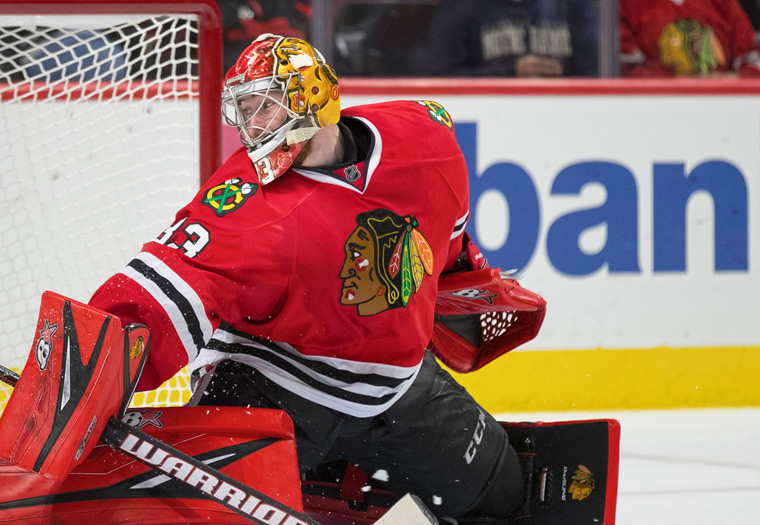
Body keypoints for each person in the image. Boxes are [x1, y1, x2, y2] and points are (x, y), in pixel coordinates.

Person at [87, 34, 532, 521]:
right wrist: (87, 381)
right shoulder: (241, 201)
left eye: (264, 105)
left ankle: (334, 479)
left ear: (310, 97)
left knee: (504, 493)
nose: (251, 126)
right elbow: (155, 295)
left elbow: (442, 232)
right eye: (245, 109)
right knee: (205, 515)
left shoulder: (424, 137)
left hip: (394, 385)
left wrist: (462, 272)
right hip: (269, 384)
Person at [419, 0, 599, 77]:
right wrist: (511, 72)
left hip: (566, 114)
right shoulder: (460, 6)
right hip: (488, 118)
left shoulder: (573, 5)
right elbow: (440, 78)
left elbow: (598, 72)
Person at [621, 0, 760, 77]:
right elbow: (625, 70)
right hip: (654, 111)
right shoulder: (628, 5)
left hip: (719, 111)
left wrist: (732, 80)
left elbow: (753, 61)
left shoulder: (725, 5)